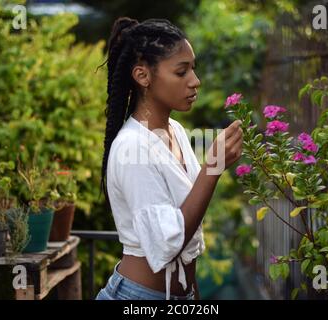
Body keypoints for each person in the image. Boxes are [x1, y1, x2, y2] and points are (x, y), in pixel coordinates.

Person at [96, 17, 243, 300]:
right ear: (143, 76)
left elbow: (187, 241)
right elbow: (168, 244)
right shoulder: (132, 148)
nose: (195, 81)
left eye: (193, 69)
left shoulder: (174, 130)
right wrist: (213, 168)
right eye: (181, 72)